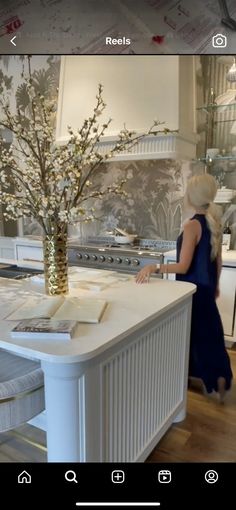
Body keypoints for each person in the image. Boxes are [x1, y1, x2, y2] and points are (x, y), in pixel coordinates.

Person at [136, 173, 233, 402]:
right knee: (209, 335)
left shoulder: (192, 226)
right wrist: (216, 286)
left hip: (192, 289)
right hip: (206, 288)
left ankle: (198, 378)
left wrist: (154, 268)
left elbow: (182, 266)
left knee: (193, 334)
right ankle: (217, 380)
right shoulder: (214, 223)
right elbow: (216, 261)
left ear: (191, 196)